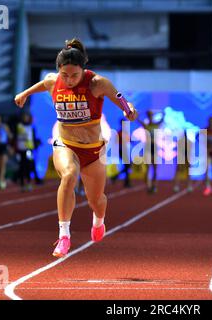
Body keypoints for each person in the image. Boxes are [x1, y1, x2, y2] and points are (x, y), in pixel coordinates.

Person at [14, 38, 138, 258]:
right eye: (65, 75)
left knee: (96, 201)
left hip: (93, 151)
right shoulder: (54, 81)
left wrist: (128, 109)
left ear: (83, 69)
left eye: (74, 75)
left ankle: (98, 221)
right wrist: (24, 94)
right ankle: (64, 236)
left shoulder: (98, 83)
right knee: (69, 175)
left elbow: (119, 98)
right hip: (66, 144)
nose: (69, 80)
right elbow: (43, 84)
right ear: (58, 71)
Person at [137, 110, 164, 193]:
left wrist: (163, 113)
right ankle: (149, 186)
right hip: (148, 148)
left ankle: (154, 185)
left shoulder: (156, 125)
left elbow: (162, 119)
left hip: (154, 148)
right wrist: (138, 114)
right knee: (148, 168)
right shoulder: (146, 125)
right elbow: (138, 119)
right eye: (149, 116)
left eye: (151, 115)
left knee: (155, 169)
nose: (151, 117)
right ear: (148, 117)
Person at [15, 112, 36, 192]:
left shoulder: (31, 127)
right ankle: (22, 185)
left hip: (29, 149)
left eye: (26, 117)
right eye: (24, 117)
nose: (25, 118)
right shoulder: (19, 126)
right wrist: (15, 149)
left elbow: (33, 138)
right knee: (21, 167)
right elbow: (15, 137)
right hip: (21, 149)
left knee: (29, 166)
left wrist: (35, 147)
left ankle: (29, 183)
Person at [110, 118, 132, 188]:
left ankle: (116, 177)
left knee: (127, 166)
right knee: (127, 166)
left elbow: (129, 140)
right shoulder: (120, 132)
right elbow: (116, 142)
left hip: (124, 150)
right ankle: (126, 182)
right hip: (121, 150)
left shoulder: (124, 132)